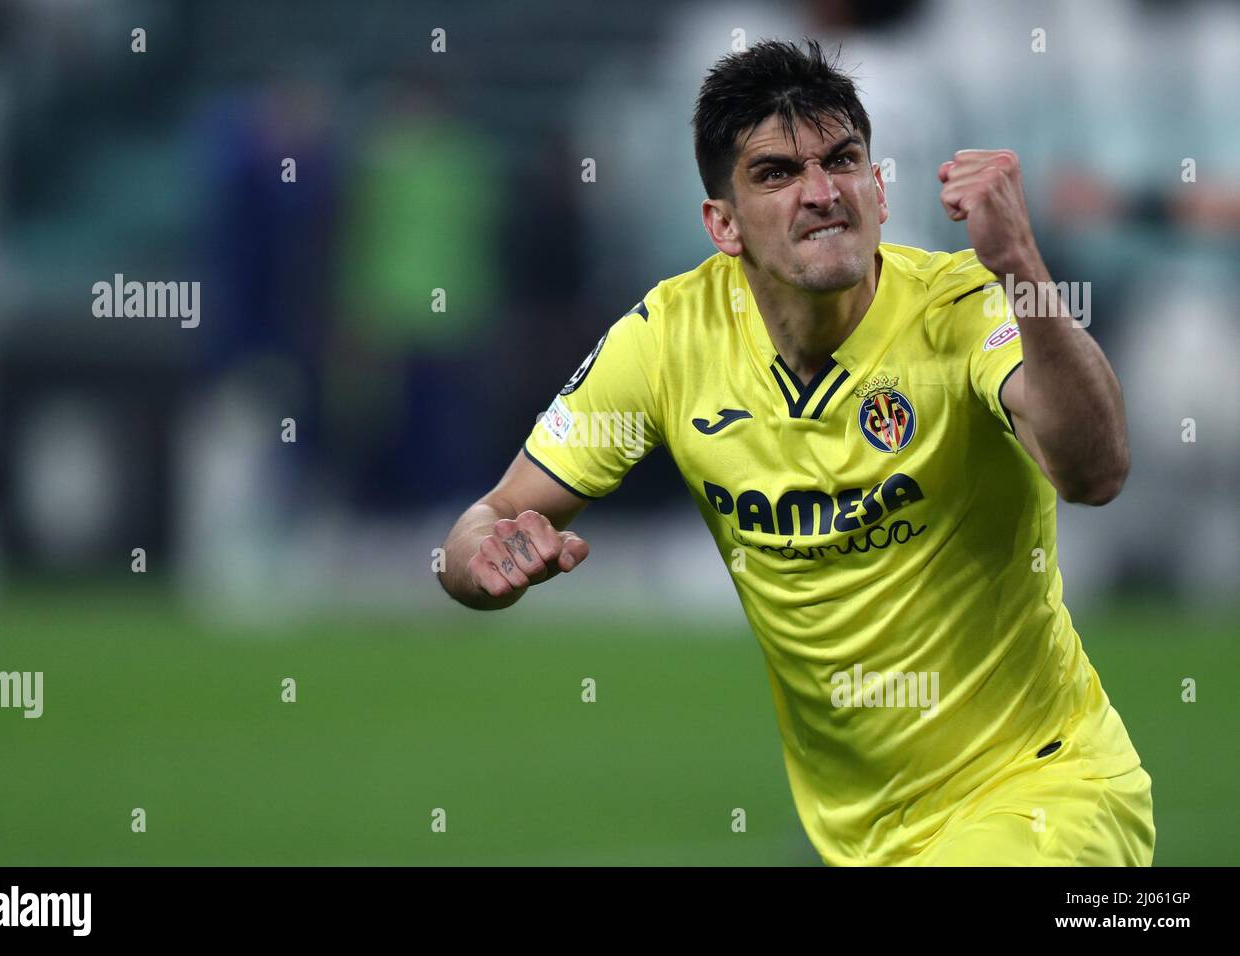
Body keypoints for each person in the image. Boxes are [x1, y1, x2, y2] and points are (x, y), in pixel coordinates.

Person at [436, 38, 1153, 867]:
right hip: (858, 836)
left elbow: (1096, 471)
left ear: (879, 187)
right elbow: (488, 520)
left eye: (842, 160)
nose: (821, 193)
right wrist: (472, 563)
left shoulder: (961, 307)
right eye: (777, 173)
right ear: (723, 225)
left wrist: (1023, 266)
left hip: (1043, 796)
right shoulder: (670, 341)